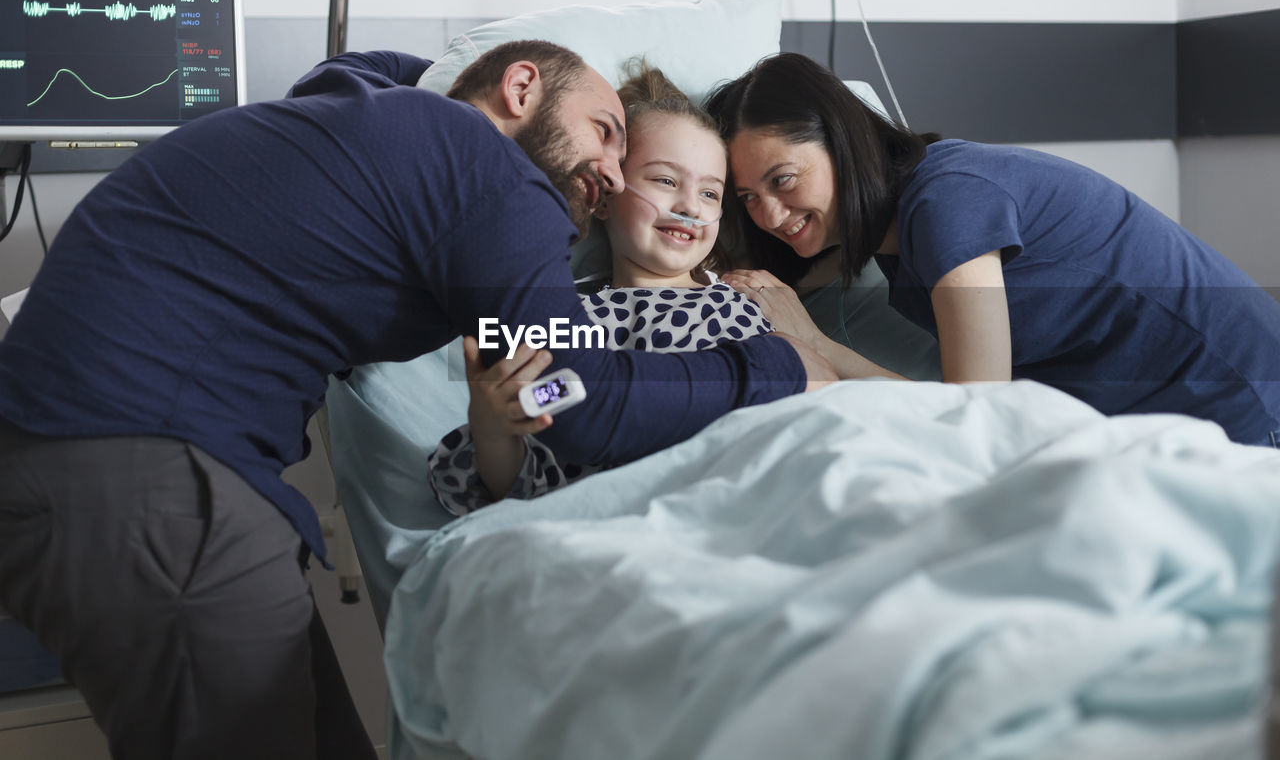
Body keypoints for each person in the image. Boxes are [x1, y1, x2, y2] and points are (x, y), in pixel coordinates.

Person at [0, 43, 835, 760]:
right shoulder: (486, 170)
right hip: (146, 472)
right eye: (606, 132)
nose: (611, 172)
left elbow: (346, 65)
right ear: (517, 90)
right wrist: (772, 365)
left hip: (108, 466)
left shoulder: (373, 120)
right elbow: (575, 394)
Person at [707, 51, 1280, 448]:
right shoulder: (891, 233)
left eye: (783, 180)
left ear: (844, 142)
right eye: (747, 197)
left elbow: (976, 410)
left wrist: (815, 343)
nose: (770, 216)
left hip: (1239, 402)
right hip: (1158, 421)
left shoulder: (947, 204)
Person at [432, 63, 877, 515]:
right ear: (603, 195)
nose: (688, 205)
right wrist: (492, 428)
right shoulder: (572, 322)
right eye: (665, 181)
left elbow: (821, 405)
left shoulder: (749, 302)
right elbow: (535, 465)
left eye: (710, 194)